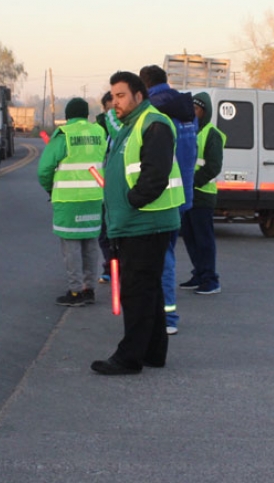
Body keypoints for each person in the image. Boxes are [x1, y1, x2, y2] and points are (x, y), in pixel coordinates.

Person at [91, 71, 183, 375]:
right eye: (113, 96)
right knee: (149, 289)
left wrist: (133, 200)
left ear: (138, 96)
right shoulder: (131, 125)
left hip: (145, 222)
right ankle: (153, 352)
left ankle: (129, 357)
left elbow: (155, 173)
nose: (115, 102)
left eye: (121, 95)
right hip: (136, 223)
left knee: (136, 291)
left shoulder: (152, 123)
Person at [139, 65, 197, 335]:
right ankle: (164, 315)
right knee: (167, 254)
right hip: (182, 192)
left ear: (144, 85)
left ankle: (167, 318)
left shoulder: (155, 110)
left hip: (162, 197)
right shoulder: (185, 109)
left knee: (161, 258)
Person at [38, 98, 108, 307]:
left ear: (68, 115)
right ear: (87, 114)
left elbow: (44, 170)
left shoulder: (63, 135)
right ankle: (89, 290)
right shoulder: (99, 133)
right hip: (95, 198)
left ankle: (75, 292)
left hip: (69, 201)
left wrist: (51, 188)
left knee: (72, 247)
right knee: (91, 244)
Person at [179, 92, 225, 294]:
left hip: (202, 195)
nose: (193, 113)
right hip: (187, 194)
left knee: (204, 239)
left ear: (204, 112)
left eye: (197, 109)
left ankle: (210, 279)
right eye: (192, 109)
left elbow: (214, 166)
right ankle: (198, 273)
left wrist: (191, 182)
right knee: (190, 237)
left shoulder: (211, 134)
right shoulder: (189, 131)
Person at [96, 91, 119, 283]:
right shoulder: (101, 129)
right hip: (103, 190)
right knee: (104, 234)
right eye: (108, 109)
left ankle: (115, 267)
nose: (111, 112)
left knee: (114, 234)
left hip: (119, 192)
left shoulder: (123, 129)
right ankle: (109, 266)